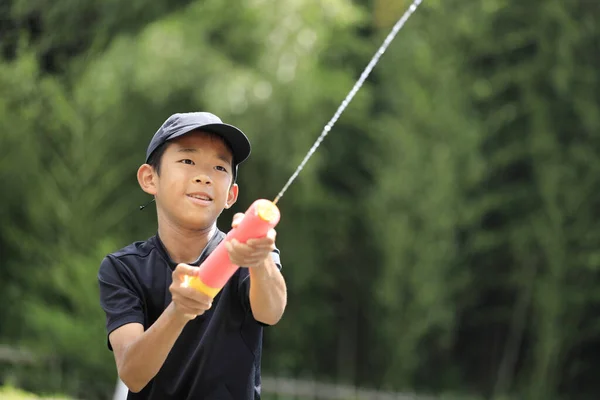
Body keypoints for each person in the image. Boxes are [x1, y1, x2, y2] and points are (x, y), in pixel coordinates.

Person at [97, 112, 287, 400]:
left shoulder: (250, 249)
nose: (204, 176)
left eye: (220, 167)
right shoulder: (123, 268)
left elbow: (271, 312)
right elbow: (132, 374)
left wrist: (259, 260)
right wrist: (179, 311)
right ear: (150, 178)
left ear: (231, 196)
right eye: (187, 161)